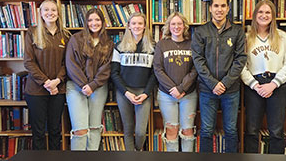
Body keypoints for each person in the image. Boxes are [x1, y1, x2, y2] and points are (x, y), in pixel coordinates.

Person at [191, 0, 247, 153]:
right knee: (207, 130)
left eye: (223, 6)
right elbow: (198, 60)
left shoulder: (237, 31)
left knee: (231, 130)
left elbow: (240, 59)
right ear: (210, 9)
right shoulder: (201, 31)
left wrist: (225, 83)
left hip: (231, 90)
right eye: (216, 6)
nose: (219, 9)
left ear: (228, 8)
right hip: (207, 90)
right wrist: (213, 83)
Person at [240, 0, 286, 154]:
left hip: (277, 85)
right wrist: (255, 85)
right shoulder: (246, 37)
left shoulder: (283, 37)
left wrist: (273, 84)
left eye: (268, 12)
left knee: (276, 131)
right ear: (255, 14)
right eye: (260, 12)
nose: (264, 15)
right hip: (253, 85)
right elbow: (241, 66)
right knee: (251, 130)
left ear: (273, 16)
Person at [24, 0, 70, 150]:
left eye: (53, 10)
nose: (50, 13)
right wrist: (46, 83)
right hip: (36, 91)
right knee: (38, 132)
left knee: (55, 130)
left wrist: (56, 81)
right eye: (46, 10)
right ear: (41, 13)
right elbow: (28, 62)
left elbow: (67, 63)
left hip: (58, 90)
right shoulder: (32, 32)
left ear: (58, 13)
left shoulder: (66, 35)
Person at [65, 8, 113, 150]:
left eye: (97, 20)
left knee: (94, 127)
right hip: (75, 86)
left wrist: (93, 85)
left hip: (98, 87)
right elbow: (71, 64)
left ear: (103, 22)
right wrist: (83, 84)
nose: (94, 23)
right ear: (86, 22)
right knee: (80, 129)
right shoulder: (76, 39)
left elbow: (107, 67)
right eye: (90, 20)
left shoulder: (108, 42)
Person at [111, 12, 156, 151]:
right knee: (128, 129)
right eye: (134, 23)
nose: (137, 26)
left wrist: (146, 93)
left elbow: (154, 74)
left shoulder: (153, 47)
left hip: (143, 92)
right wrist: (126, 93)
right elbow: (114, 73)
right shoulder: (119, 46)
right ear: (129, 26)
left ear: (144, 26)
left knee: (141, 132)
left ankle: (137, 151)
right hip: (124, 92)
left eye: (140, 23)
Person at [153, 12, 198, 152]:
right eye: (173, 24)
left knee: (187, 131)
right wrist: (173, 88)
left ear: (184, 26)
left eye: (179, 23)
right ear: (168, 26)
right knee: (171, 130)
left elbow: (195, 69)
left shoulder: (192, 44)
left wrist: (182, 88)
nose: (176, 26)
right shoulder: (162, 44)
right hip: (167, 95)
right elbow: (158, 69)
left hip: (188, 95)